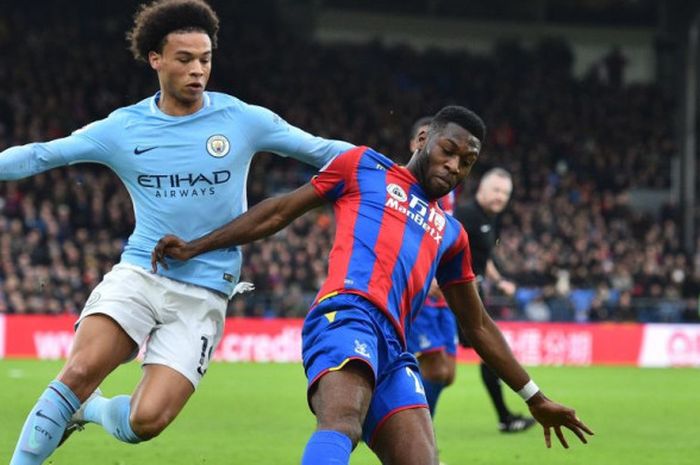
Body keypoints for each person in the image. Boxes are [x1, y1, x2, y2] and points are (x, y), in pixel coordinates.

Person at [4, 1, 353, 464]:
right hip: (141, 273)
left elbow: (324, 151)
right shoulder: (123, 128)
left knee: (146, 422)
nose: (198, 70)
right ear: (156, 59)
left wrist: (400, 175)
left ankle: (90, 410)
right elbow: (43, 155)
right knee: (81, 368)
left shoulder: (242, 120)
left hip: (206, 293)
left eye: (205, 59)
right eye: (185, 59)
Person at [152, 105, 593, 465]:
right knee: (342, 422)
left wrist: (534, 396)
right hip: (345, 314)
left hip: (395, 347)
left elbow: (477, 326)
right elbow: (279, 212)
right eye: (448, 150)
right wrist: (195, 247)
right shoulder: (364, 166)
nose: (454, 166)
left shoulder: (452, 233)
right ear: (423, 141)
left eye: (467, 162)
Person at [454, 167, 536, 432]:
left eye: (505, 193)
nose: (501, 197)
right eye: (497, 190)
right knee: (440, 362)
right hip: (452, 292)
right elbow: (440, 245)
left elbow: (483, 256)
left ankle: (504, 417)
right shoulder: (465, 214)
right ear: (482, 190)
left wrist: (499, 280)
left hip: (471, 292)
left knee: (486, 353)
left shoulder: (492, 219)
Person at [404, 116, 459, 418]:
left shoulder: (446, 189)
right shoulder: (405, 187)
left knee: (447, 372)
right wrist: (427, 274)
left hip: (442, 290)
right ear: (416, 143)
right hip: (423, 287)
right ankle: (420, 445)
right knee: (434, 367)